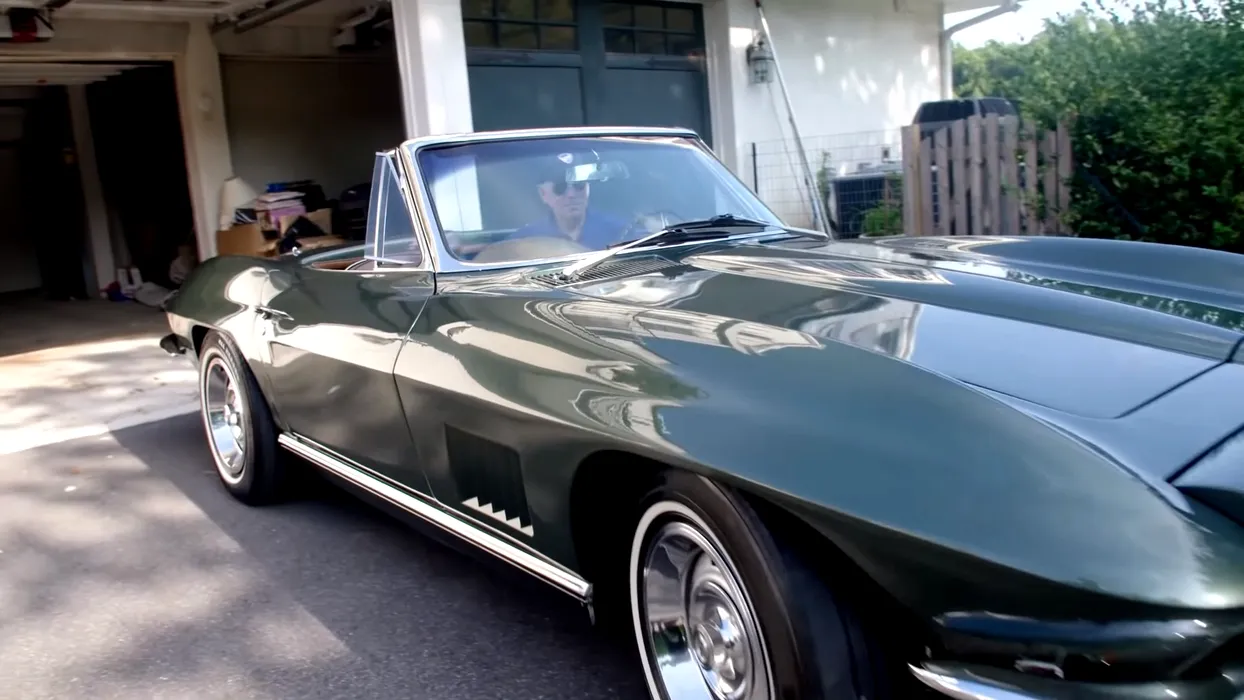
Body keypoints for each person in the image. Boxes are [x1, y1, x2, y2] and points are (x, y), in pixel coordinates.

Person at [510, 152, 629, 251]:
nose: (571, 194)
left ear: (588, 187)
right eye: (560, 187)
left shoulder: (620, 233)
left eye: (579, 185)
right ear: (543, 194)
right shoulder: (524, 241)